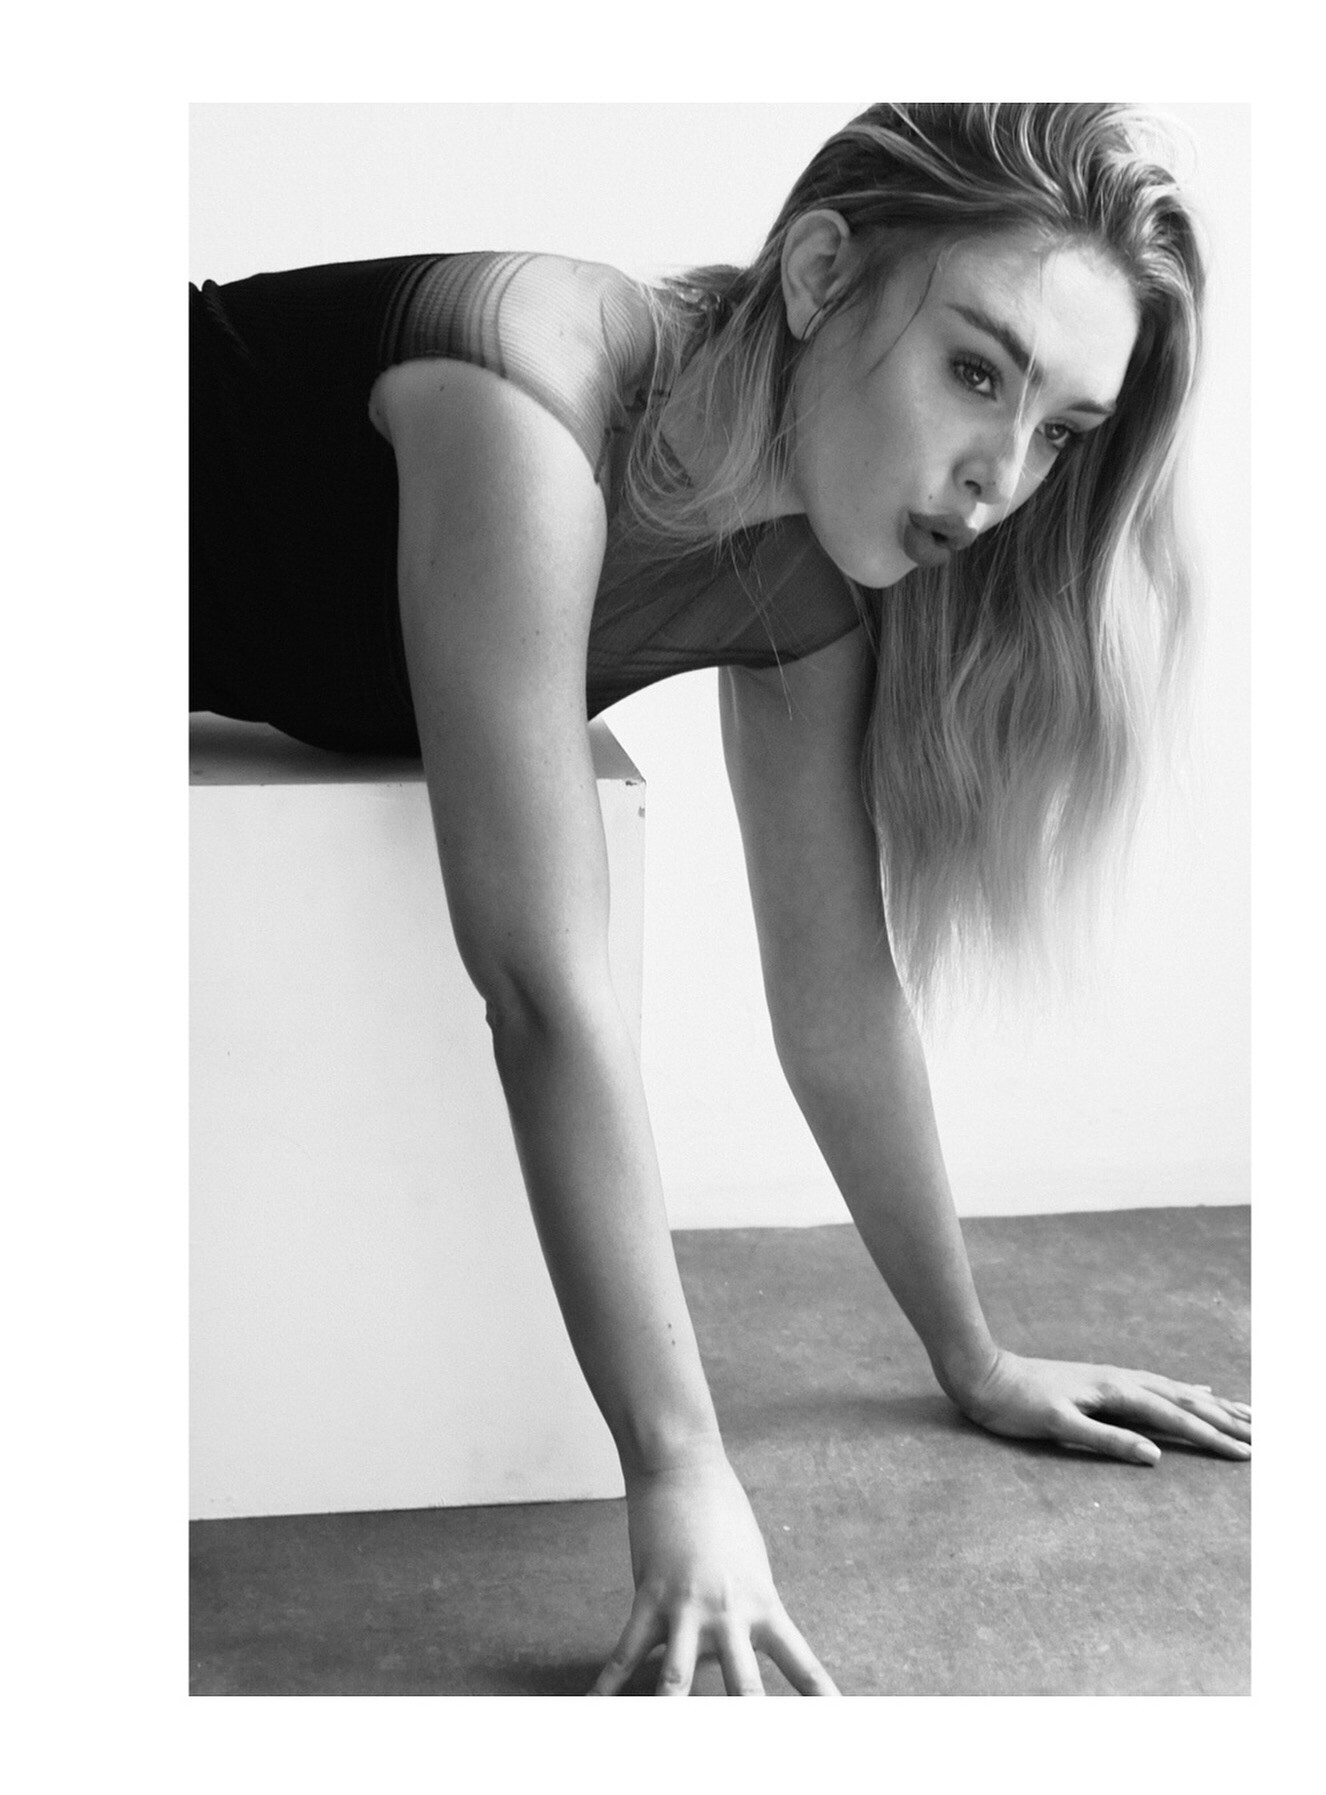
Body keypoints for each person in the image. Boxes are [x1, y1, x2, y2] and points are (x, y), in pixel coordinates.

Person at [190, 102, 1251, 1698]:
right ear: (820, 272)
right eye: (979, 372)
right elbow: (542, 989)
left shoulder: (802, 583)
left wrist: (972, 1355)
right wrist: (680, 1468)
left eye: (1062, 436)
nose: (999, 477)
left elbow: (836, 992)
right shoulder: (525, 399)